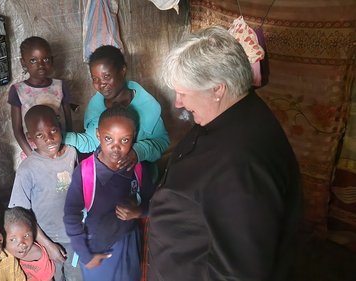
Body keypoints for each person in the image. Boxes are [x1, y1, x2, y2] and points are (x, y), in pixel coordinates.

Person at [148, 26, 303, 281]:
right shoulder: (236, 111)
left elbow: (238, 273)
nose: (178, 102)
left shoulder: (241, 167)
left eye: (184, 93)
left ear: (217, 89)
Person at [64, 106, 155, 281]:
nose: (116, 147)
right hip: (97, 249)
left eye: (124, 140)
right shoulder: (85, 173)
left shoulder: (138, 168)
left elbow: (154, 203)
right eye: (108, 138)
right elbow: (71, 215)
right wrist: (85, 255)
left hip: (128, 242)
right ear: (98, 135)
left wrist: (138, 212)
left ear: (133, 137)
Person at [64, 45, 169, 172]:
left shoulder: (147, 107)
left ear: (122, 71)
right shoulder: (95, 108)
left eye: (106, 76)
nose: (101, 84)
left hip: (142, 176)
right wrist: (61, 137)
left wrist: (138, 151)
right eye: (95, 79)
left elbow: (162, 142)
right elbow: (91, 141)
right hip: (109, 177)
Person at [9, 105, 82, 281]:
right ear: (30, 138)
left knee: (77, 276)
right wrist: (48, 245)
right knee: (54, 277)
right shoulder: (27, 169)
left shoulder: (72, 153)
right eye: (40, 135)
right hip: (47, 239)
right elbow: (21, 215)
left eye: (53, 130)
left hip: (75, 236)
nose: (49, 139)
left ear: (60, 128)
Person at [8, 36, 73, 159]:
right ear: (23, 62)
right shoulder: (17, 90)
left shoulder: (60, 86)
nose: (41, 65)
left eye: (46, 59)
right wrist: (33, 157)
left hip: (57, 146)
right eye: (33, 60)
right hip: (32, 150)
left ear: (52, 60)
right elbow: (17, 130)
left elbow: (68, 122)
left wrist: (65, 147)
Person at [5, 207, 55, 281]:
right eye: (13, 239)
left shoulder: (38, 255)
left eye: (26, 236)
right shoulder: (2, 255)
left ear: (33, 232)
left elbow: (48, 278)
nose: (22, 244)